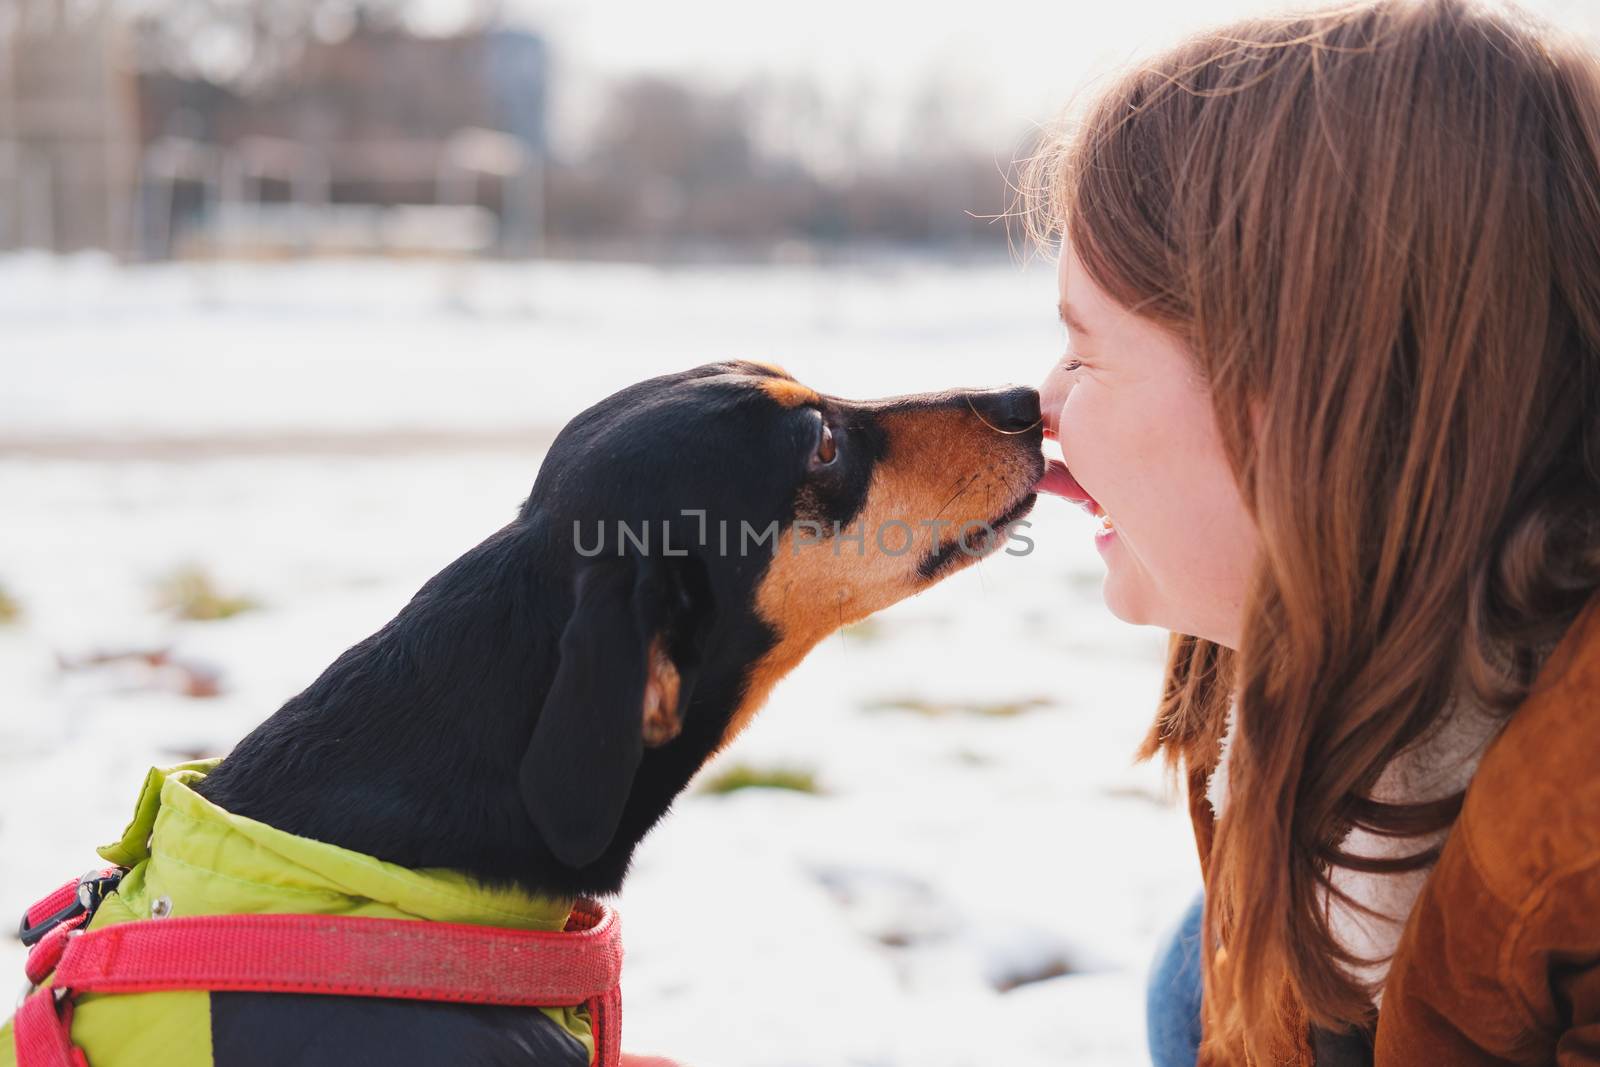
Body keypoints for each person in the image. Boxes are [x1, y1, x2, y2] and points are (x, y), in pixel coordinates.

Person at [1031, 0, 1600, 1062]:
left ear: (1303, 399)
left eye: (1084, 351)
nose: (1041, 407)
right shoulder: (1288, 699)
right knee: (1194, 971)